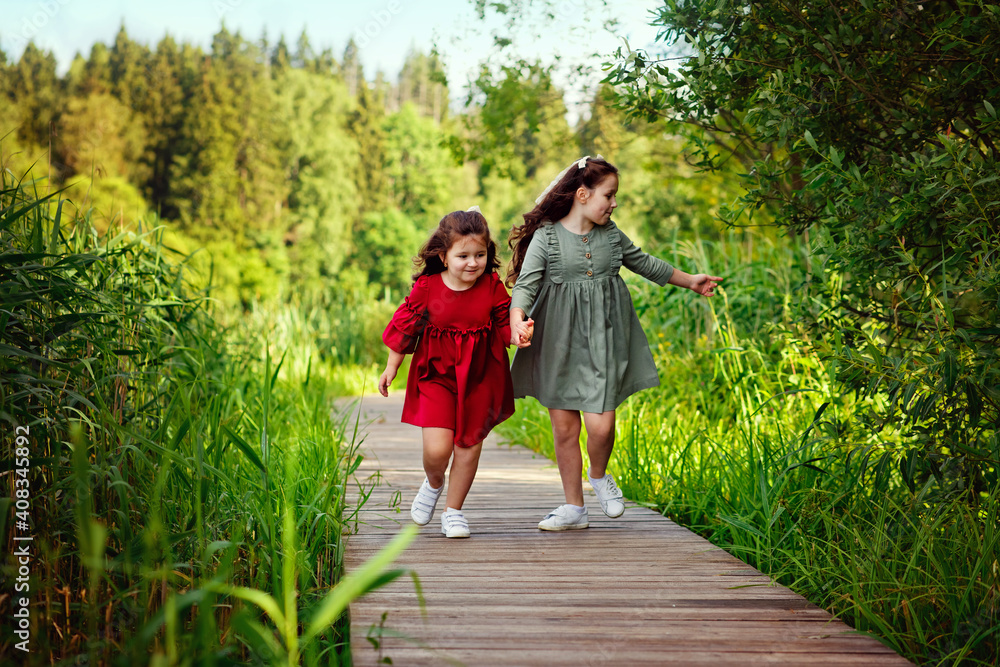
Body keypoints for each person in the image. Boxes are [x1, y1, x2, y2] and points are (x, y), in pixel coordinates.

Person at [507, 155, 722, 531]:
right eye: (609, 194)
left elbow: (644, 262)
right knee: (565, 429)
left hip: (603, 341)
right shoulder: (547, 237)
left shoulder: (611, 235)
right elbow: (526, 285)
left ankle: (599, 474)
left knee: (602, 426)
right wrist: (517, 319)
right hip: (556, 343)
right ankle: (573, 507)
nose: (614, 202)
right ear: (582, 194)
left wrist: (690, 280)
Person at [379, 207, 526, 538]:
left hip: (481, 376)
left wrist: (519, 333)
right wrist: (392, 367)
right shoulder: (429, 288)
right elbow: (405, 327)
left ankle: (454, 511)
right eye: (463, 255)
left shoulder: (490, 286)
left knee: (468, 445)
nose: (473, 262)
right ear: (444, 256)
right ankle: (433, 482)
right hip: (437, 375)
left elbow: (505, 324)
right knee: (437, 450)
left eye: (480, 254)